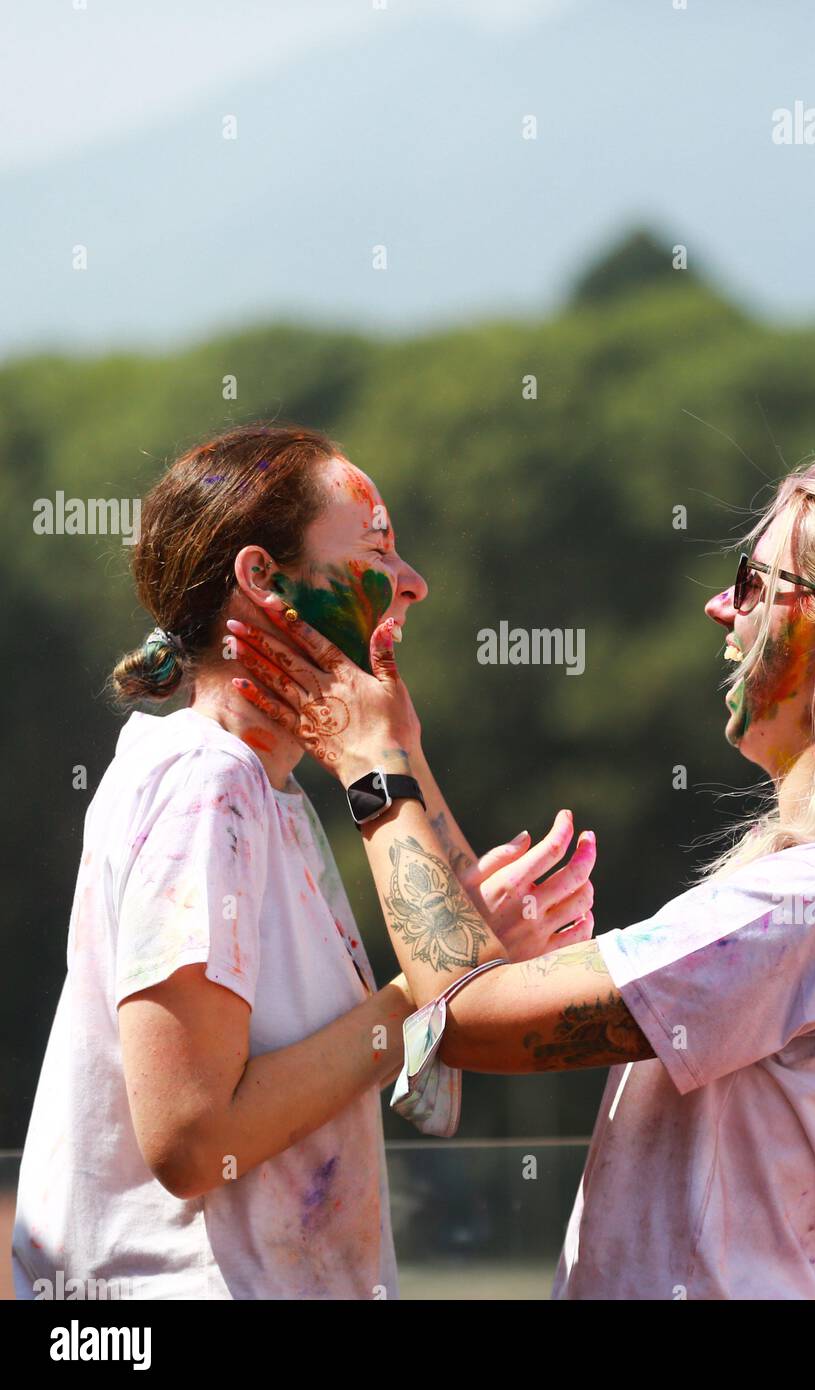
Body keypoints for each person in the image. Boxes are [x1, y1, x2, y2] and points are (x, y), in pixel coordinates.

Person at [231, 454, 815, 1300]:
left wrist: (376, 772)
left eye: (755, 582)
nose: (720, 606)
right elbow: (473, 992)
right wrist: (405, 750)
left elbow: (468, 1020)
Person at [12, 423, 594, 1300]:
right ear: (260, 578)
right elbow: (193, 1142)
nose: (414, 582)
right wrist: (417, 993)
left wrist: (404, 757)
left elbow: (428, 1094)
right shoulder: (203, 784)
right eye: (379, 548)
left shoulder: (266, 798)